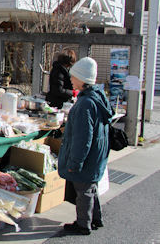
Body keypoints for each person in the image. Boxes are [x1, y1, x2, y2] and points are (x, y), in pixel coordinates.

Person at [58, 57, 113, 235]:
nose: (71, 80)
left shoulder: (86, 104)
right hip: (97, 153)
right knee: (90, 186)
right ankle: (95, 219)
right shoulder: (98, 97)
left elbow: (83, 138)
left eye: (73, 77)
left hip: (88, 155)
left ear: (82, 79)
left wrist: (75, 162)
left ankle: (83, 224)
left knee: (84, 190)